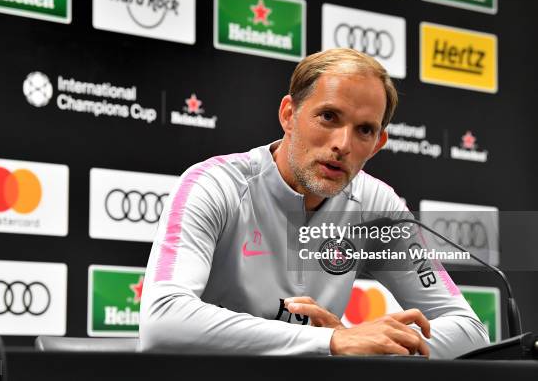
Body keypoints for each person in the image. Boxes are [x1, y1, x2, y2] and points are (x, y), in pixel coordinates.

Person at [139, 48, 489, 358]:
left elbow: (469, 331)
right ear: (289, 114)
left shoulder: (377, 204)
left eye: (364, 130)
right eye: (329, 117)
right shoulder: (213, 184)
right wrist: (332, 343)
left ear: (378, 143)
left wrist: (372, 346)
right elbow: (164, 321)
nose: (343, 144)